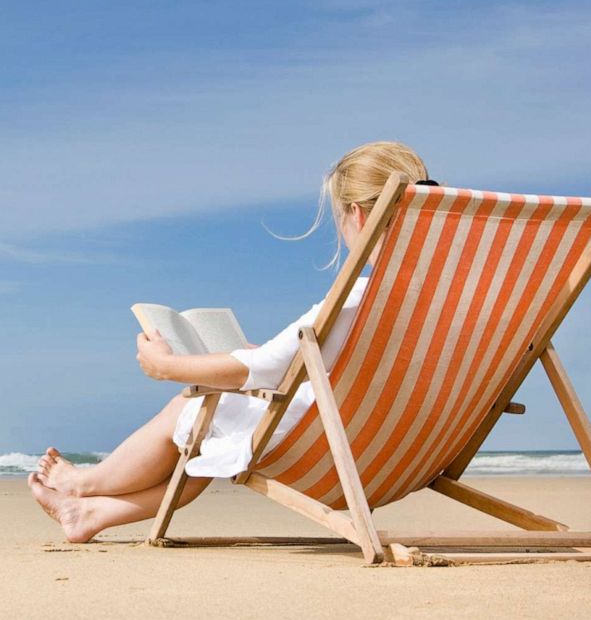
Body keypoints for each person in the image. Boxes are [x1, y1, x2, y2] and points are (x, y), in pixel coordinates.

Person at [28, 141, 431, 543]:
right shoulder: (457, 301)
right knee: (215, 425)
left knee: (198, 405)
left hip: (336, 453)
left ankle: (85, 484)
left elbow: (264, 368)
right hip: (410, 455)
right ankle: (89, 513)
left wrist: (166, 366)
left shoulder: (362, 298)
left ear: (357, 215)